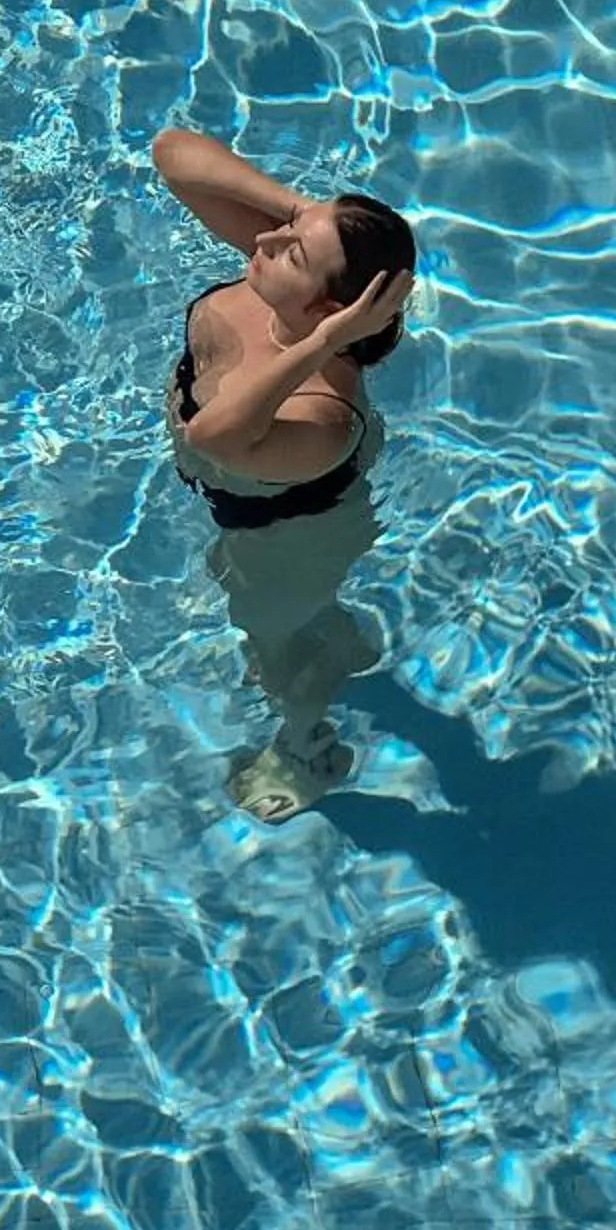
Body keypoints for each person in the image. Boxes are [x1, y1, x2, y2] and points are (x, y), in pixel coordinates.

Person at [153, 125, 416, 823]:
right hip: (251, 513)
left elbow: (214, 438)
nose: (265, 242)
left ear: (330, 311)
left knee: (272, 653)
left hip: (293, 535)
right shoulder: (277, 285)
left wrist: (327, 342)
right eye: (283, 230)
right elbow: (173, 154)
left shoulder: (322, 412)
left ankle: (306, 747)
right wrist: (303, 215)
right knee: (261, 594)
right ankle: (331, 628)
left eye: (290, 248)